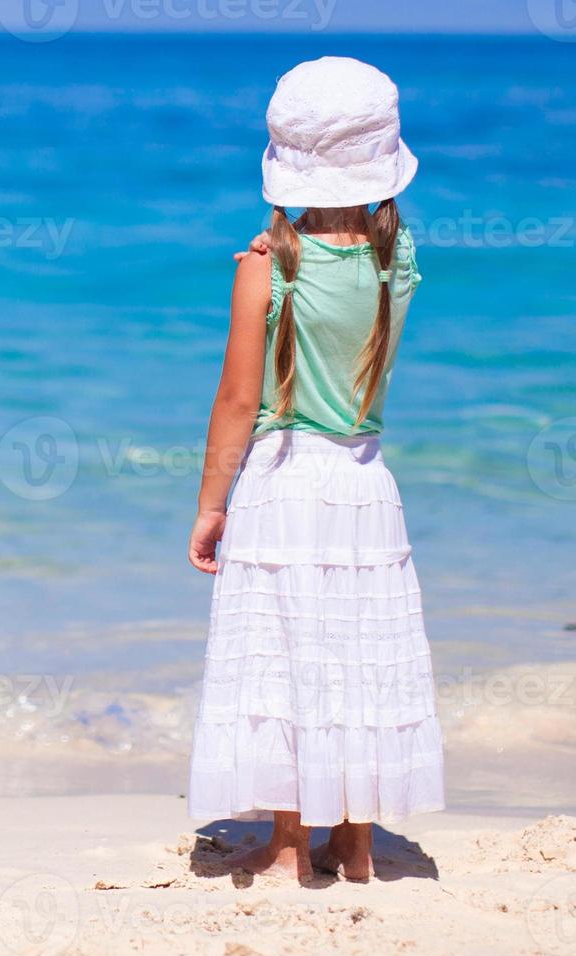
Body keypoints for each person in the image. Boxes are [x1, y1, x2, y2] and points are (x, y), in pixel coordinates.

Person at [186, 57, 445, 882]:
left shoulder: (265, 266)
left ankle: (292, 845)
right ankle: (357, 843)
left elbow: (236, 400)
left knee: (287, 655)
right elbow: (365, 248)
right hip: (366, 480)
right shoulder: (395, 256)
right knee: (355, 655)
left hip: (283, 475)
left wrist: (208, 504)